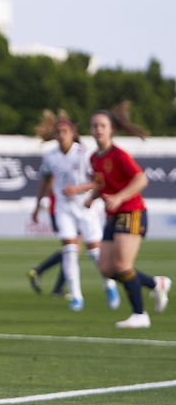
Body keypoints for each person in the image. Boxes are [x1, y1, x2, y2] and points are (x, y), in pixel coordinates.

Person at [85, 103, 170, 328]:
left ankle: (140, 315)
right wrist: (92, 196)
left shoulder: (119, 155)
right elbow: (103, 183)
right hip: (112, 216)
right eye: (94, 126)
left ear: (111, 129)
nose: (98, 129)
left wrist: (119, 197)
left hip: (132, 212)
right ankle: (155, 284)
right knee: (106, 269)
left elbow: (141, 179)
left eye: (103, 125)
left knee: (122, 265)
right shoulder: (94, 158)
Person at [31, 112, 119, 311]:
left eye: (65, 131)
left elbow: (98, 180)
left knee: (95, 253)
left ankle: (109, 285)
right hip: (64, 208)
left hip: (85, 206)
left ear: (72, 133)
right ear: (55, 135)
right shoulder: (50, 157)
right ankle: (76, 297)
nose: (61, 135)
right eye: (58, 132)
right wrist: (37, 206)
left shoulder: (84, 154)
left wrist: (78, 189)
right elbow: (45, 180)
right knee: (69, 252)